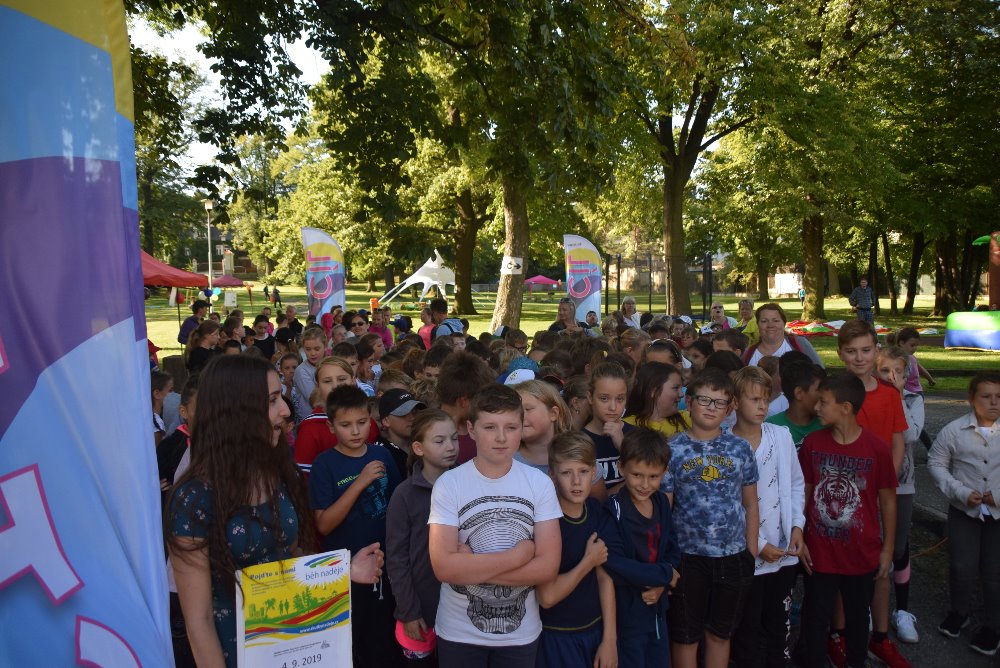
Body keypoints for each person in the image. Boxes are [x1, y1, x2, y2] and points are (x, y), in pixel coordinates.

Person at [167, 355, 384, 668]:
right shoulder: (194, 498)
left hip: (294, 648)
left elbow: (289, 559)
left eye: (281, 397)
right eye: (272, 400)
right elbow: (198, 622)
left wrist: (342, 571)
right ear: (235, 410)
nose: (285, 410)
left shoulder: (279, 473)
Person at [427, 384, 562, 665]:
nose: (501, 437)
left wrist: (469, 568)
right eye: (490, 427)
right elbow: (444, 568)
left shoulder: (539, 484)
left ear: (521, 428)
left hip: (520, 636)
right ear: (471, 429)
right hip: (458, 633)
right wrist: (518, 557)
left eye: (511, 427)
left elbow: (548, 568)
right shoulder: (449, 485)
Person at [798, 373, 898, 668]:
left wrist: (888, 548)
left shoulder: (877, 448)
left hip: (861, 553)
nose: (817, 408)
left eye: (823, 402)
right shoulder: (813, 443)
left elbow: (888, 500)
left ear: (845, 407)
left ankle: (856, 661)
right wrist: (799, 534)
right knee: (815, 617)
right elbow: (804, 492)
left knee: (858, 617)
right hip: (819, 552)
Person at [663, 368, 759, 668]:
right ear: (689, 402)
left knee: (720, 634)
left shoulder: (740, 448)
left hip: (733, 556)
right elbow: (664, 509)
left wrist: (750, 551)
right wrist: (667, 559)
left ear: (730, 408)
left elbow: (751, 503)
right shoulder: (672, 449)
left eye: (719, 402)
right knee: (685, 636)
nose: (711, 407)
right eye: (704, 400)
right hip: (687, 558)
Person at [834, 320, 910, 668]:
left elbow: (897, 441)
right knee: (841, 566)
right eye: (851, 351)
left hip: (879, 494)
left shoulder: (889, 394)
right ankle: (839, 634)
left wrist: (886, 484)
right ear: (840, 354)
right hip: (842, 495)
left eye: (866, 350)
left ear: (876, 351)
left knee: (881, 565)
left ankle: (880, 637)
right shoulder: (834, 392)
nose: (859, 357)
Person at [310, 384, 404, 667]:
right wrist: (360, 482)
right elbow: (323, 525)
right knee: (349, 645)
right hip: (345, 573)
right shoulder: (324, 464)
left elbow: (398, 507)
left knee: (383, 641)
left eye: (362, 422)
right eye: (345, 425)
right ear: (331, 427)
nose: (355, 431)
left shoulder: (382, 455)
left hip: (386, 567)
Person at [730, 367, 805, 668]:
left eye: (766, 399)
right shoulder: (725, 445)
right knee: (747, 623)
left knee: (779, 620)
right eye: (754, 399)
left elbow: (796, 483)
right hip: (746, 552)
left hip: (783, 550)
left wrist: (797, 525)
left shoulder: (781, 437)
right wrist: (758, 544)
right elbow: (729, 504)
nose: (762, 406)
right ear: (735, 402)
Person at [928, 371, 1000, 656]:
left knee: (994, 569)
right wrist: (959, 491)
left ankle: (993, 626)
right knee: (961, 565)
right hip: (964, 510)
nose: (993, 402)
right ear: (971, 399)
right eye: (986, 396)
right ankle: (959, 611)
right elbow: (936, 462)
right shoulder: (954, 430)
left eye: (999, 397)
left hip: (998, 514)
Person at [598, 428, 679, 667]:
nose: (644, 484)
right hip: (627, 616)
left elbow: (672, 548)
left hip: (657, 611)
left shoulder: (661, 502)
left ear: (665, 471)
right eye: (637, 475)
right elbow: (613, 563)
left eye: (653, 477)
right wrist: (665, 575)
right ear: (621, 468)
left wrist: (662, 585)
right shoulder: (613, 509)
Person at [536, 432, 618, 667]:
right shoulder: (547, 522)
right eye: (566, 473)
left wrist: (610, 639)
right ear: (552, 474)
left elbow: (604, 578)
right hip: (556, 636)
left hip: (595, 631)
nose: (575, 481)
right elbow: (547, 597)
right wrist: (588, 562)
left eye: (582, 471)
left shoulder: (595, 510)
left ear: (593, 472)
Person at [386, 410, 460, 664]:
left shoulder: (469, 485)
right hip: (421, 610)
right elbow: (397, 559)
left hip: (463, 610)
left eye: (454, 438)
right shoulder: (404, 495)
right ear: (418, 448)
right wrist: (408, 610)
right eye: (439, 441)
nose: (450, 447)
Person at [876, 345, 923, 645]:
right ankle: (869, 605)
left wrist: (897, 398)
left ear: (907, 375)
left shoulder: (913, 400)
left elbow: (911, 434)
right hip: (870, 483)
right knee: (871, 543)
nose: (891, 377)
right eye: (885, 371)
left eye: (898, 372)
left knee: (899, 546)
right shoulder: (867, 398)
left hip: (902, 484)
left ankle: (903, 610)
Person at [436, 352, 496, 465]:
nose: (485, 404)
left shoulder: (482, 424)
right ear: (464, 402)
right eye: (481, 399)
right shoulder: (430, 437)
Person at [583, 362, 634, 491]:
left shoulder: (636, 435)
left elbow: (646, 481)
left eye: (620, 399)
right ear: (590, 397)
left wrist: (622, 445)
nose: (613, 407)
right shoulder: (579, 440)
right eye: (604, 398)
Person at [765, 361, 826, 449]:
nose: (824, 395)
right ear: (799, 393)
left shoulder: (826, 424)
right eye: (819, 390)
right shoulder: (771, 427)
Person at [742, 303, 823, 367]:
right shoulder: (748, 354)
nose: (770, 325)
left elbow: (820, 372)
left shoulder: (800, 344)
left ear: (784, 323)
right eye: (764, 321)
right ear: (758, 325)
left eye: (776, 321)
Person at [624, 362, 690, 438]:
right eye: (676, 388)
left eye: (681, 388)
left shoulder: (688, 418)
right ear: (653, 392)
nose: (681, 394)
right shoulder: (626, 425)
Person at [375, 388, 427, 479]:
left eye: (415, 412)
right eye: (404, 414)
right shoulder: (379, 454)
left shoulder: (425, 441)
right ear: (386, 421)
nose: (412, 418)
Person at [293, 328, 328, 422]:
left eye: (317, 349)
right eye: (308, 349)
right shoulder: (301, 371)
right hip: (311, 419)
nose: (312, 353)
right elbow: (315, 399)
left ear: (325, 346)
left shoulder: (331, 364)